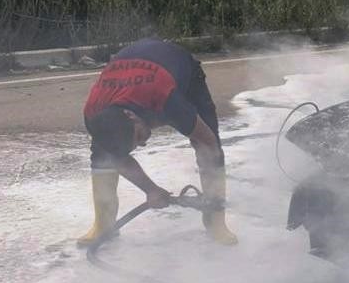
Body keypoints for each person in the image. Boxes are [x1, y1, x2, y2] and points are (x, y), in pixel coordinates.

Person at [77, 38, 238, 246]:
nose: (143, 144)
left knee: (207, 142)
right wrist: (151, 190)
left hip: (180, 70)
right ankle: (103, 223)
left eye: (138, 138)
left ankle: (216, 223)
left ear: (131, 116)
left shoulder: (168, 100)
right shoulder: (94, 114)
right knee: (101, 156)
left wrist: (214, 200)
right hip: (133, 73)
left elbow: (208, 143)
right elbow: (116, 159)